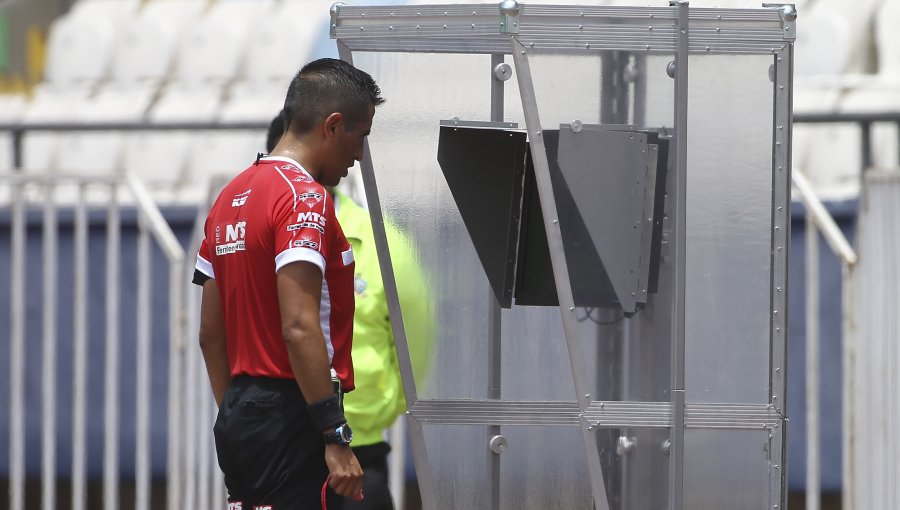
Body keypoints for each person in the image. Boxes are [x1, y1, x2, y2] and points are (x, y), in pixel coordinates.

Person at [193, 58, 384, 509]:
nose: (360, 156)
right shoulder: (304, 198)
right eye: (362, 136)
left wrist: (239, 412)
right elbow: (298, 325)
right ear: (334, 126)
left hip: (241, 411)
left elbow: (210, 334)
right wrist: (333, 433)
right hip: (293, 412)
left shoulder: (229, 198)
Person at [266, 112, 434, 510]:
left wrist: (383, 406)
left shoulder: (382, 240)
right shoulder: (258, 231)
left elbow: (417, 338)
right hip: (283, 444)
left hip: (360, 450)